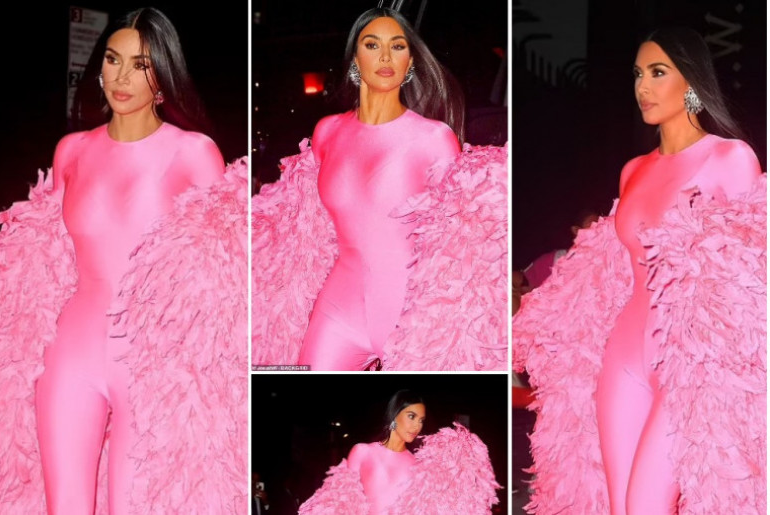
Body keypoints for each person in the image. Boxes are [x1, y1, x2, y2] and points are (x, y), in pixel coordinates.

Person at [0, 7, 248, 514]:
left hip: (153, 363)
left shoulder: (195, 152)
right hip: (69, 351)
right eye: (113, 60)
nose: (122, 77)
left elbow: (226, 279)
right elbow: (43, 262)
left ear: (163, 77)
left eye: (141, 65)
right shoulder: (71, 151)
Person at [513, 27, 765, 514]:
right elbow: (613, 272)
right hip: (623, 354)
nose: (642, 86)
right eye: (637, 74)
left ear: (691, 81)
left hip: (692, 367)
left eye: (657, 72)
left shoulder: (730, 158)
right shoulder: (633, 170)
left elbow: (754, 282)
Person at [252, 7, 507, 371]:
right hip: (338, 307)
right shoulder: (326, 132)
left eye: (397, 46)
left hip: (412, 316)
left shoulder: (434, 138)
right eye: (372, 45)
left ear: (410, 62)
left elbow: (459, 246)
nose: (386, 56)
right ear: (355, 60)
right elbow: (303, 230)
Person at [298, 390, 500, 514]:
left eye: (421, 420)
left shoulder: (418, 465)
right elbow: (339, 500)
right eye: (411, 416)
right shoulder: (363, 451)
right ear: (395, 415)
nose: (417, 425)